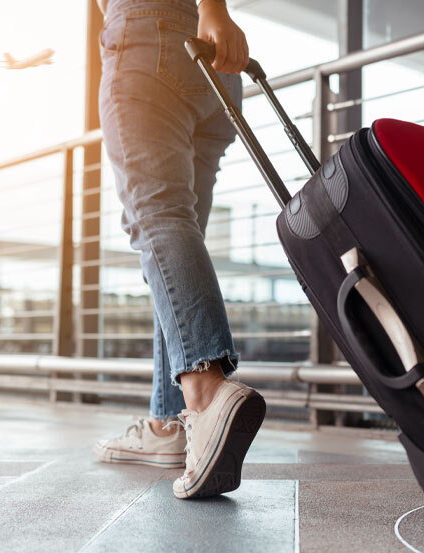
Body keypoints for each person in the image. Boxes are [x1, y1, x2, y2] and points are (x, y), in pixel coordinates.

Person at [92, 0, 266, 499]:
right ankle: (172, 421)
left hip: (149, 37)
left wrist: (212, 7)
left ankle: (207, 393)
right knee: (174, 240)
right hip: (209, 63)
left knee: (158, 218)